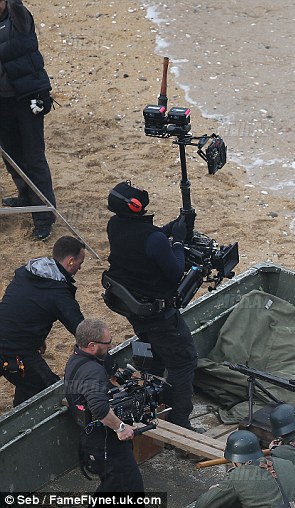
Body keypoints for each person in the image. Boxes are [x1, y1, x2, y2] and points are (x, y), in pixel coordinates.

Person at [103, 180, 198, 431]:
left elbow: (148, 241)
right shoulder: (153, 239)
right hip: (161, 316)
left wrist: (173, 227)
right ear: (134, 205)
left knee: (155, 358)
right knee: (183, 361)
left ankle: (152, 401)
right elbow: (176, 271)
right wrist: (177, 241)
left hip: (135, 311)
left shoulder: (115, 225)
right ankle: (180, 420)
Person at [0, 235, 85, 406]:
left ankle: (20, 409)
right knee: (51, 392)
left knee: (28, 381)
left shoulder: (27, 272)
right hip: (16, 351)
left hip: (6, 332)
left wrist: (38, 338)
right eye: (80, 262)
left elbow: (25, 306)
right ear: (70, 261)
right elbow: (82, 331)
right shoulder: (58, 294)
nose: (80, 267)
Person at [64, 318, 144, 493]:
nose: (110, 346)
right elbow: (99, 407)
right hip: (106, 442)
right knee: (131, 488)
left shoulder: (75, 360)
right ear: (92, 345)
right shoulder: (92, 371)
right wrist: (121, 427)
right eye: (107, 343)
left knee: (113, 486)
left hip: (92, 437)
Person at [0, 0, 56, 241]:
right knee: (10, 155)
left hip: (26, 98)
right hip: (2, 103)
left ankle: (44, 216)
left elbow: (29, 56)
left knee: (34, 158)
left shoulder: (19, 17)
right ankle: (25, 195)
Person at [195, 429, 295, 508]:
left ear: (235, 461)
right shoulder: (287, 464)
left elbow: (202, 505)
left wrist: (215, 490)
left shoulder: (237, 476)